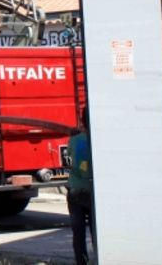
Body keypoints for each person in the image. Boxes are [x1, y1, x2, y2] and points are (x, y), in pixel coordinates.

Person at [67, 107, 95, 265]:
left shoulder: (74, 140)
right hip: (93, 192)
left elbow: (67, 164)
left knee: (78, 234)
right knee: (96, 231)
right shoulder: (99, 139)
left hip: (75, 191)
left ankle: (81, 262)